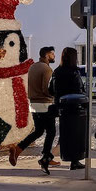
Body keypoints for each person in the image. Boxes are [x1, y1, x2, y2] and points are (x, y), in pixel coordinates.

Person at [9, 46, 59, 174]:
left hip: (33, 104)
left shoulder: (33, 67)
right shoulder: (46, 69)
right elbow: (46, 89)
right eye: (52, 54)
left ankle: (18, 149)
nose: (54, 56)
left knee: (38, 131)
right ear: (47, 55)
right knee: (51, 132)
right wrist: (55, 96)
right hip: (44, 104)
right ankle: (46, 157)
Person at [52, 47, 86, 170]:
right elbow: (79, 89)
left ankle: (60, 156)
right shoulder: (73, 72)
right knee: (75, 134)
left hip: (62, 107)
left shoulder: (57, 71)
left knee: (65, 133)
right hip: (75, 107)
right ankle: (74, 160)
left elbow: (51, 89)